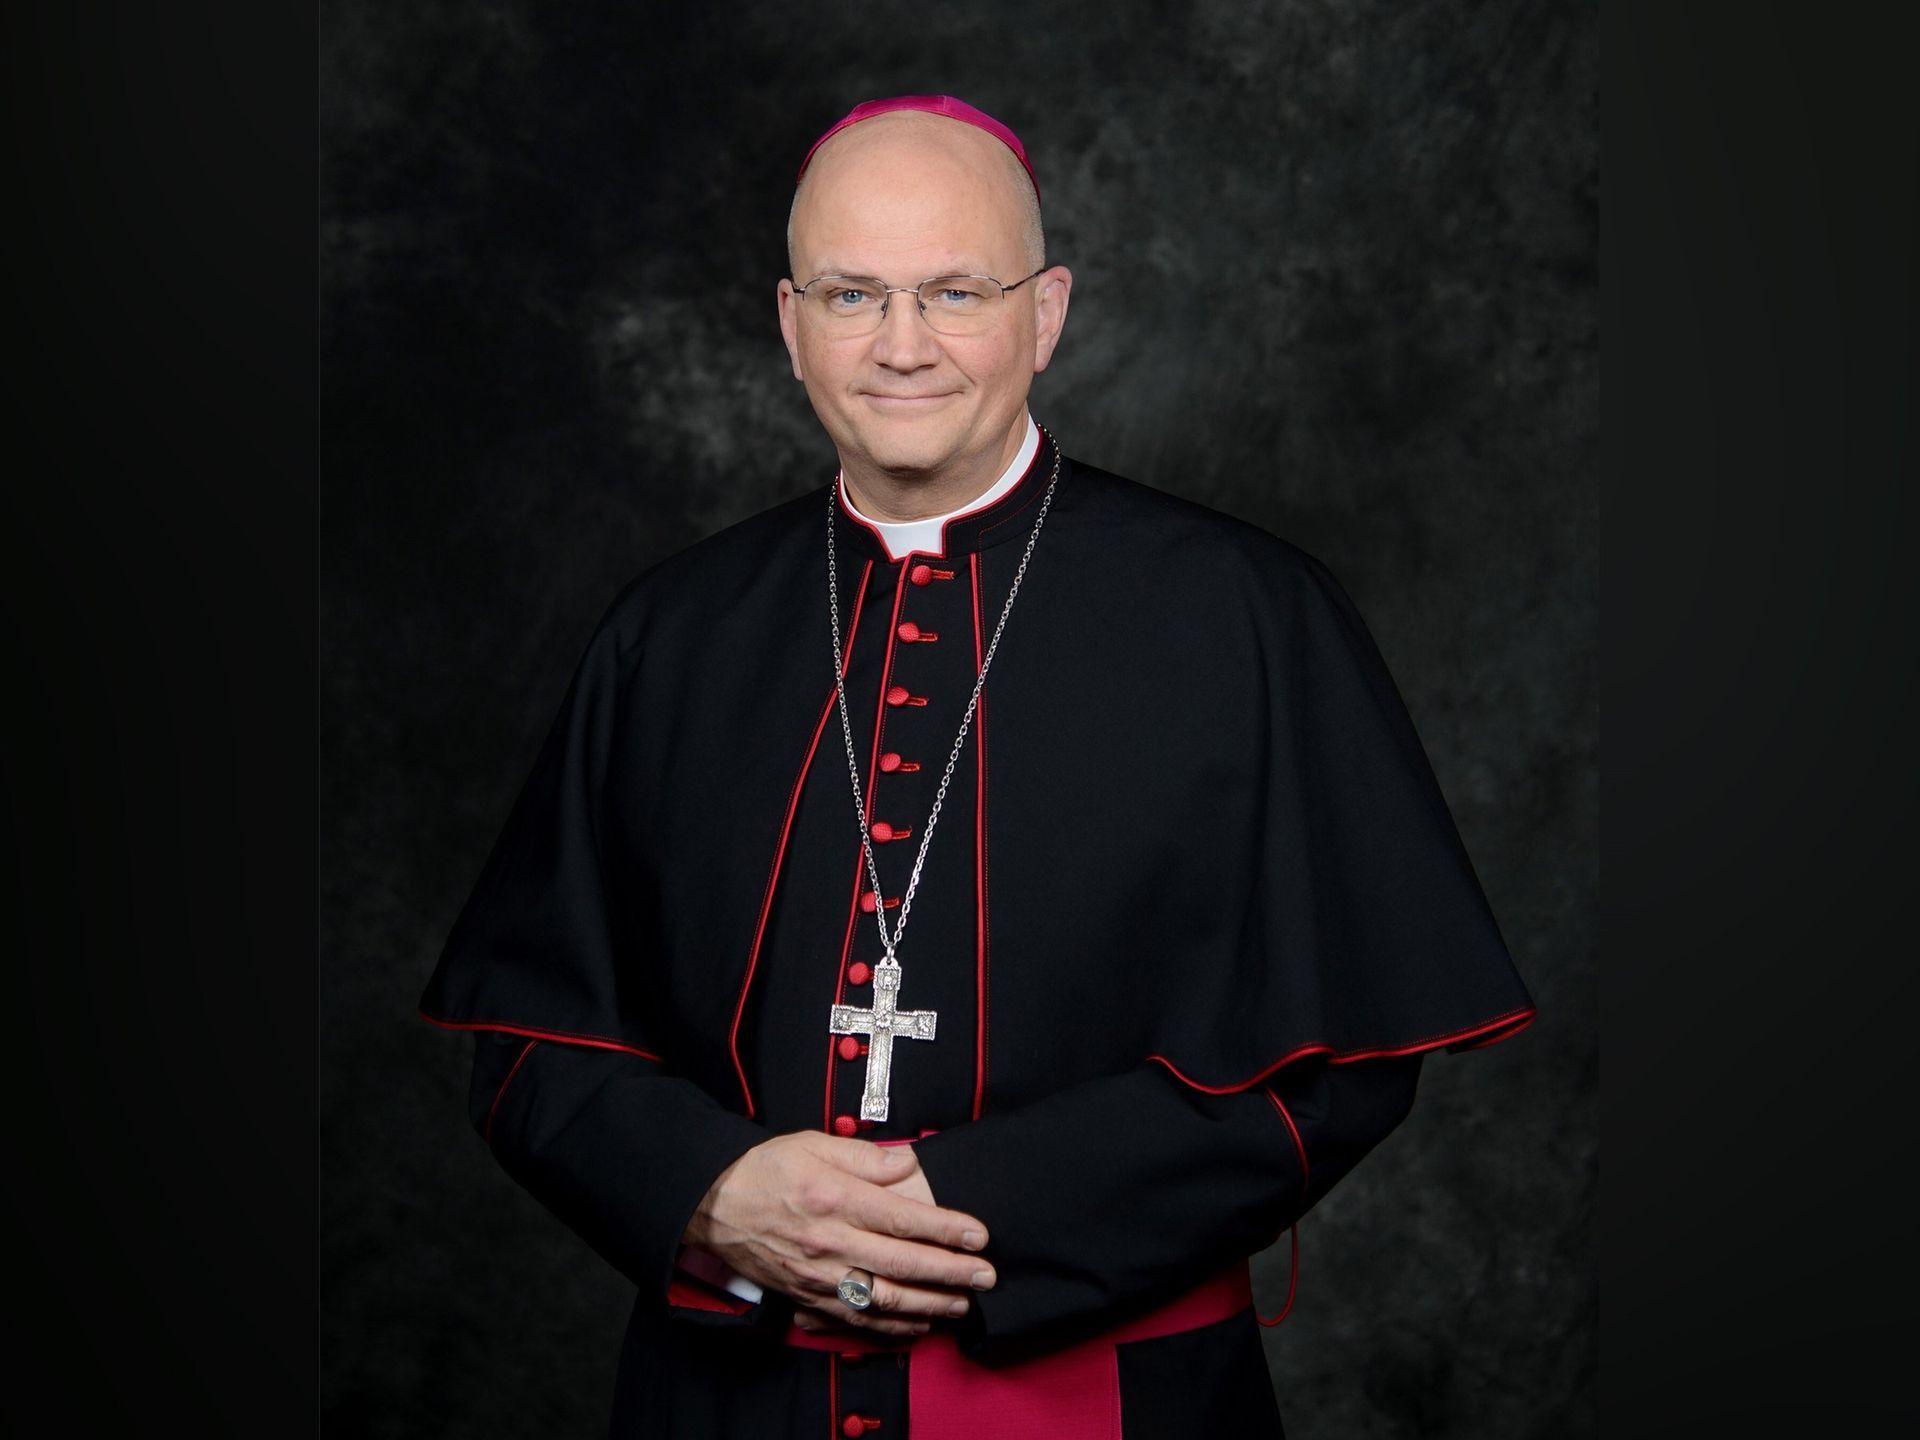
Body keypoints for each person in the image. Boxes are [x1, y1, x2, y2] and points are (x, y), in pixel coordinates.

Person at [418, 93, 1538, 1439]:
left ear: (1047, 314)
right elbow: (536, 1047)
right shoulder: (673, 633)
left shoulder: (1246, 616)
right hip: (721, 1406)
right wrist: (711, 1192)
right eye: (852, 295)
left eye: (956, 292)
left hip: (1108, 1404)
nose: (903, 346)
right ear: (789, 324)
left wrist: (975, 1206)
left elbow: (1341, 1069)